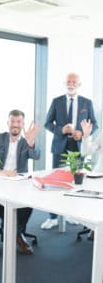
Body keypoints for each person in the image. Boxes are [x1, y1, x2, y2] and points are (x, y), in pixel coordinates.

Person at [41, 73, 98, 230]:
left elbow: (95, 125)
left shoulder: (87, 102)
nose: (71, 83)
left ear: (79, 84)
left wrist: (83, 133)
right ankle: (52, 217)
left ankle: (71, 214)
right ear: (64, 83)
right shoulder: (56, 101)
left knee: (75, 182)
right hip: (59, 146)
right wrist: (61, 130)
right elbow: (47, 123)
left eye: (74, 81)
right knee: (56, 182)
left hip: (77, 148)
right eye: (69, 81)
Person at [0, 109, 40, 257]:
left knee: (28, 203)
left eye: (19, 122)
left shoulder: (26, 141)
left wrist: (31, 142)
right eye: (12, 121)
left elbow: (36, 156)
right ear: (8, 123)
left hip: (16, 184)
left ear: (22, 124)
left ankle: (17, 234)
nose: (15, 124)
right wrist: (0, 172)